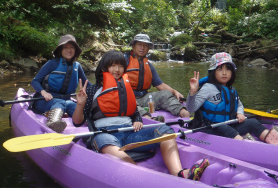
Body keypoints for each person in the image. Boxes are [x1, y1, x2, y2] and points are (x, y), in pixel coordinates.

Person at [72, 50, 209, 180]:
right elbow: (78, 122)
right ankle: (142, 177)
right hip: (105, 134)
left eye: (120, 66)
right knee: (105, 142)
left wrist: (138, 120)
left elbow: (134, 112)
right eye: (113, 65)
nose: (117, 69)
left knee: (166, 131)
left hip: (129, 133)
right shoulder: (92, 90)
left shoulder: (125, 87)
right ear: (104, 67)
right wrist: (80, 104)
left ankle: (180, 173)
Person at [186, 52, 278, 148]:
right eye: (220, 69)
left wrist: (240, 113)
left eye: (228, 69)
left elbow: (239, 105)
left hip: (230, 124)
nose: (224, 73)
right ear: (213, 72)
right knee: (225, 128)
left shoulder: (231, 90)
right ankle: (253, 149)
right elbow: (191, 108)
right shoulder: (208, 88)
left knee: (252, 122)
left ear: (232, 73)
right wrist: (192, 92)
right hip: (212, 128)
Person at [31, 34, 91, 133]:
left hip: (66, 100)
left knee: (74, 106)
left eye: (72, 47)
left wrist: (100, 90)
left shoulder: (77, 66)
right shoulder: (52, 63)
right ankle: (52, 123)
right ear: (60, 50)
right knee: (59, 102)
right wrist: (43, 92)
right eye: (66, 47)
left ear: (75, 50)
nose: (69, 50)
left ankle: (89, 122)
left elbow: (87, 84)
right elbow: (35, 81)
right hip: (46, 100)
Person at [125, 34, 190, 120]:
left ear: (148, 48)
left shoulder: (149, 65)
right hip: (128, 97)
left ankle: (185, 114)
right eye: (139, 44)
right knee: (127, 101)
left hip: (144, 97)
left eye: (145, 45)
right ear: (133, 46)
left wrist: (174, 92)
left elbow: (160, 85)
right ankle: (149, 119)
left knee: (165, 94)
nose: (142, 48)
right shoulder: (123, 61)